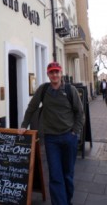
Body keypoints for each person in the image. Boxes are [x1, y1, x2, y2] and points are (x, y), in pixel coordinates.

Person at [18, 62, 85, 205]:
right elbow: (32, 107)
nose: (54, 75)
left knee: (67, 175)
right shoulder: (43, 90)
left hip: (69, 137)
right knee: (55, 176)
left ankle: (67, 200)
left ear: (61, 74)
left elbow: (80, 113)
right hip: (51, 140)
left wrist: (75, 132)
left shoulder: (70, 90)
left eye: (57, 72)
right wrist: (24, 125)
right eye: (51, 72)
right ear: (48, 74)